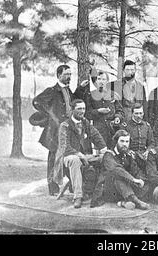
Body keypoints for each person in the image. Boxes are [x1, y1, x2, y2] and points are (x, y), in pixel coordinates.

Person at [32, 64, 90, 195]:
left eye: (70, 74)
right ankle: (52, 188)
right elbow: (36, 102)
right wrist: (50, 115)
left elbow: (74, 101)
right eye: (66, 74)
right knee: (54, 157)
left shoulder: (68, 90)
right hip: (55, 131)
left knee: (69, 155)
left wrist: (80, 88)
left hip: (67, 129)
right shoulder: (52, 91)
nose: (69, 77)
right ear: (59, 75)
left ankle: (71, 185)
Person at [53, 99, 107, 208]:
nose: (82, 111)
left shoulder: (85, 122)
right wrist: (78, 154)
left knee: (105, 158)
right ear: (72, 110)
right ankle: (78, 196)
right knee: (75, 160)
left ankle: (100, 193)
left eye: (83, 109)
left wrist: (104, 148)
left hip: (83, 156)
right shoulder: (65, 125)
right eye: (79, 109)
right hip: (67, 157)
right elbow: (64, 147)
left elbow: (95, 135)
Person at [91, 130, 150, 210]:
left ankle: (124, 202)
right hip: (108, 190)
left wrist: (141, 180)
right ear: (116, 142)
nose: (124, 144)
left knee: (146, 184)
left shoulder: (127, 155)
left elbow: (136, 170)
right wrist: (133, 179)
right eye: (122, 141)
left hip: (123, 189)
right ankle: (136, 201)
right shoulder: (109, 155)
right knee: (118, 177)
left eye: (127, 141)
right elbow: (116, 169)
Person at [85, 70, 125, 149]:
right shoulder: (90, 95)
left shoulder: (113, 94)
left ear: (107, 81)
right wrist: (98, 111)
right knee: (100, 154)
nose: (101, 81)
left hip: (112, 130)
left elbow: (120, 111)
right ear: (96, 81)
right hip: (99, 130)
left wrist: (117, 118)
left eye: (103, 79)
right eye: (99, 79)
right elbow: (87, 113)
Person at [125, 103, 155, 173]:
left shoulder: (147, 126)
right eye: (136, 113)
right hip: (131, 155)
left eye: (141, 113)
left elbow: (152, 143)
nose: (139, 116)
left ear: (143, 113)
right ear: (132, 113)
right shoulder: (126, 126)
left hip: (143, 155)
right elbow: (120, 142)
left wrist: (148, 151)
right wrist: (128, 151)